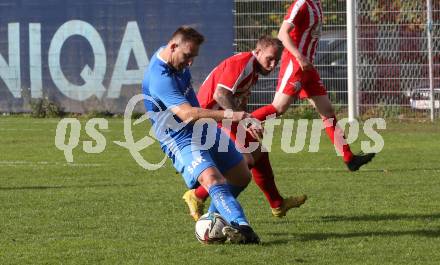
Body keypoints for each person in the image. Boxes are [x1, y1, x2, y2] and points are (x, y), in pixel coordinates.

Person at [142, 26, 260, 244]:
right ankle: (242, 227)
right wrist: (233, 115)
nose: (190, 63)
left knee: (242, 175)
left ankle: (213, 220)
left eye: (193, 57)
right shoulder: (160, 78)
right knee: (212, 179)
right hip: (179, 138)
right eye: (187, 56)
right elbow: (187, 114)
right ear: (173, 46)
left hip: (203, 128)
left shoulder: (173, 55)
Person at [182, 36, 307, 222]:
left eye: (276, 61)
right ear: (257, 52)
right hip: (210, 118)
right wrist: (246, 121)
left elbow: (235, 99)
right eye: (269, 59)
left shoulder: (254, 69)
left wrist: (246, 119)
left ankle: (277, 204)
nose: (273, 65)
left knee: (258, 153)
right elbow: (221, 95)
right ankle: (202, 200)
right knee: (242, 161)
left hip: (223, 117)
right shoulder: (243, 63)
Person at [250, 0, 375, 171]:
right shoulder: (301, 4)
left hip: (308, 67)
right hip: (296, 64)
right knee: (278, 108)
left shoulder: (316, 4)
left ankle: (349, 159)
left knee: (327, 111)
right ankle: (240, 124)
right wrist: (299, 57)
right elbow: (282, 33)